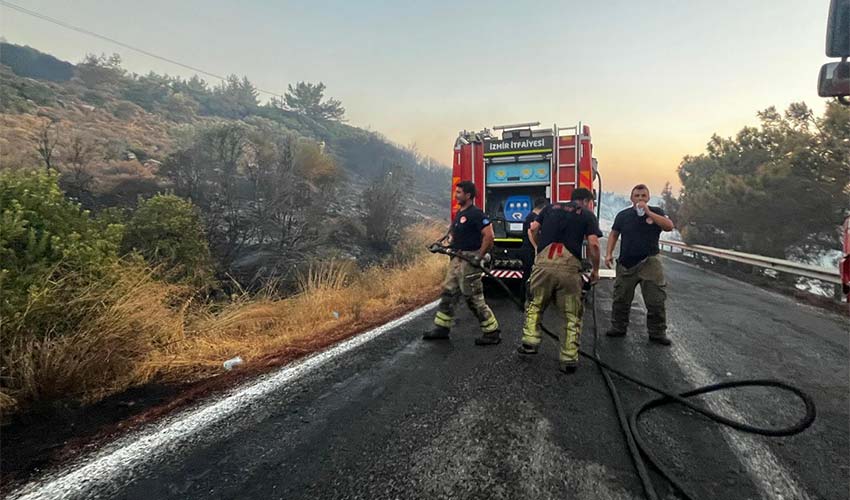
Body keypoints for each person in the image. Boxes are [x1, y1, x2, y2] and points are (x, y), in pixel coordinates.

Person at [518, 188, 601, 373]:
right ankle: (569, 359)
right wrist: (595, 270)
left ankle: (530, 343)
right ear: (587, 201)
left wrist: (539, 250)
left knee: (535, 304)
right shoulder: (587, 215)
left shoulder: (549, 208)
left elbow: (532, 229)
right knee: (571, 313)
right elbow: (594, 244)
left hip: (543, 266)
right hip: (569, 270)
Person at [425, 181, 501, 345]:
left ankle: (492, 332)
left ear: (468, 195)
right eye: (456, 192)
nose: (456, 195)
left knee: (472, 297)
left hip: (469, 260)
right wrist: (442, 243)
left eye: (459, 192)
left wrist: (479, 257)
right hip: (457, 258)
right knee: (448, 292)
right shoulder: (460, 213)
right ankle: (441, 329)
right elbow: (453, 233)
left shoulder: (477, 214)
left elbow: (489, 236)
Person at [604, 184, 675, 345]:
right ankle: (618, 327)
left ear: (648, 198)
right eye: (637, 196)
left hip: (650, 261)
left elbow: (669, 226)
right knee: (621, 298)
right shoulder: (623, 215)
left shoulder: (656, 212)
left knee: (656, 299)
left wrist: (648, 212)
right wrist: (608, 254)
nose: (640, 199)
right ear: (631, 198)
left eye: (643, 196)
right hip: (626, 263)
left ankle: (657, 332)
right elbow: (614, 234)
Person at [520, 197, 549, 297]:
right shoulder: (533, 217)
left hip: (527, 249)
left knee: (529, 275)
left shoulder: (530, 216)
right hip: (529, 250)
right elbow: (530, 232)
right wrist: (536, 247)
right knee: (529, 275)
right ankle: (525, 299)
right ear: (543, 208)